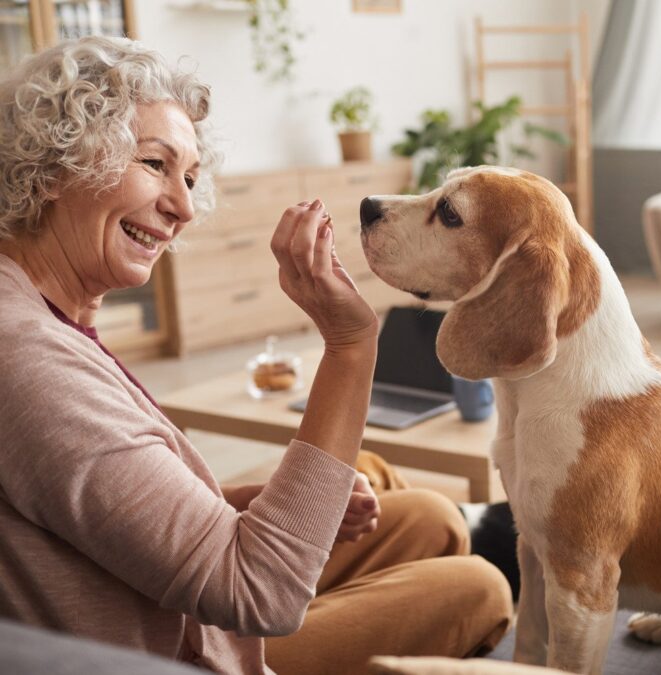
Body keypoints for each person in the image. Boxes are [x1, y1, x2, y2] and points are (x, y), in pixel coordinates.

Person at [0, 36, 511, 674]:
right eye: (155, 165)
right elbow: (257, 592)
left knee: (427, 516)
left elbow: (102, 510)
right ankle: (512, 539)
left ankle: (488, 526)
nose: (184, 207)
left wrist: (247, 498)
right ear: (54, 166)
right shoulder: (31, 364)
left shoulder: (40, 313)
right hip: (188, 649)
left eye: (188, 177)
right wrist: (350, 346)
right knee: (477, 588)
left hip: (177, 606)